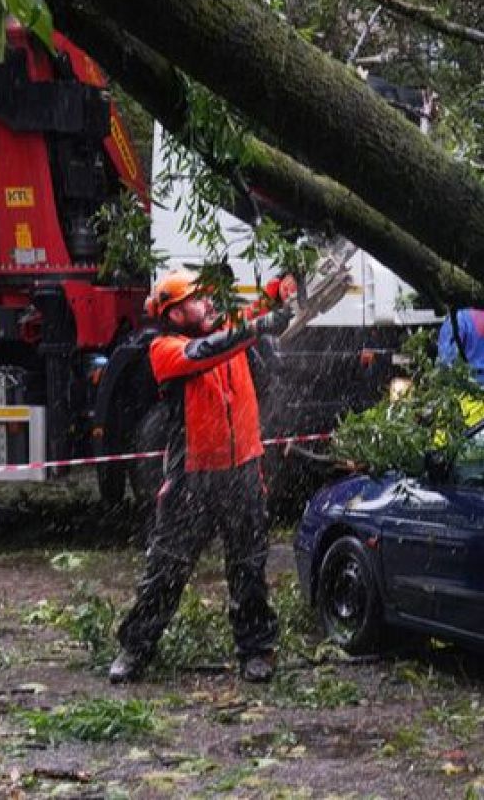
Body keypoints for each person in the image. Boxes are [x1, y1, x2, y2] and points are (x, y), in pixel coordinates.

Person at [109, 269, 296, 685]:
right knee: (167, 569)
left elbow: (257, 311)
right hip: (191, 479)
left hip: (243, 470)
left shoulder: (228, 325)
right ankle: (135, 648)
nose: (209, 303)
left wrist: (280, 286)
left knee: (248, 567)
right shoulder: (165, 349)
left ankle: (256, 650)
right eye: (199, 299)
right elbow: (213, 349)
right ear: (174, 314)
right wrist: (256, 328)